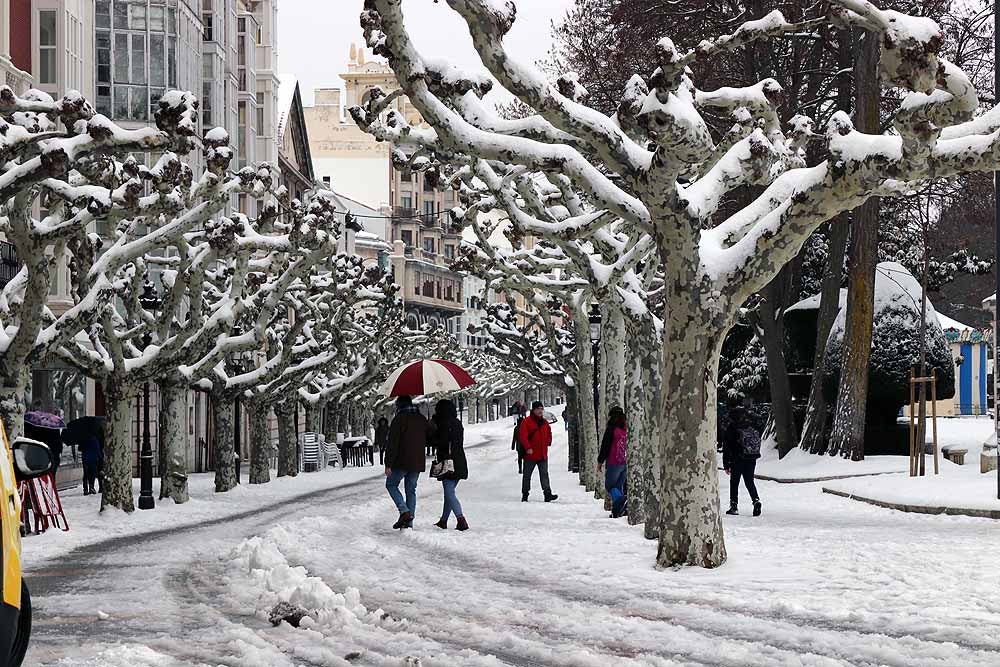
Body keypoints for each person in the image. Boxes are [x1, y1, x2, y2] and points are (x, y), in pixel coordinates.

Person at [385, 395, 430, 529]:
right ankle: (408, 522)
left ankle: (404, 511)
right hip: (417, 461)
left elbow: (392, 443)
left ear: (399, 405)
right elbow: (428, 438)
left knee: (391, 484)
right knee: (411, 490)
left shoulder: (399, 419)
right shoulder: (421, 419)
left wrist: (388, 463)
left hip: (401, 460)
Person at [430, 399, 469, 531]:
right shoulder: (457, 423)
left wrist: (434, 430)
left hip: (447, 461)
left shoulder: (443, 424)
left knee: (449, 492)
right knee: (449, 491)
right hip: (459, 459)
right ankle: (443, 520)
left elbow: (441, 442)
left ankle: (461, 519)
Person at [722, 407, 762, 516]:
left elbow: (727, 448)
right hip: (751, 458)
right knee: (749, 481)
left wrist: (726, 464)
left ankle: (734, 506)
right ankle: (756, 500)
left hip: (737, 459)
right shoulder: (750, 426)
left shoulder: (731, 428)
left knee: (734, 482)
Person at [518, 401, 557, 502]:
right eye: (538, 409)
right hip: (530, 455)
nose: (540, 411)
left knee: (544, 474)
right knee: (527, 475)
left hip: (542, 454)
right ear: (533, 410)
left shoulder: (544, 422)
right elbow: (523, 436)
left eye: (541, 409)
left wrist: (548, 441)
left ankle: (547, 493)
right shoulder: (526, 422)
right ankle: (525, 493)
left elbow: (549, 433)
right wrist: (528, 448)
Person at [597, 406, 627, 518]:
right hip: (625, 461)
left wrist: (600, 462)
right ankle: (618, 511)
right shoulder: (626, 427)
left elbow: (605, 446)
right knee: (618, 487)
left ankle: (621, 502)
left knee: (610, 486)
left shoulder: (611, 429)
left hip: (614, 461)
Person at [511, 402, 527, 474]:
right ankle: (524, 468)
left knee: (519, 458)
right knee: (525, 458)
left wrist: (513, 446)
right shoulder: (525, 428)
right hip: (525, 445)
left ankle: (520, 468)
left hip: (519, 445)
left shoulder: (516, 428)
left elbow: (514, 438)